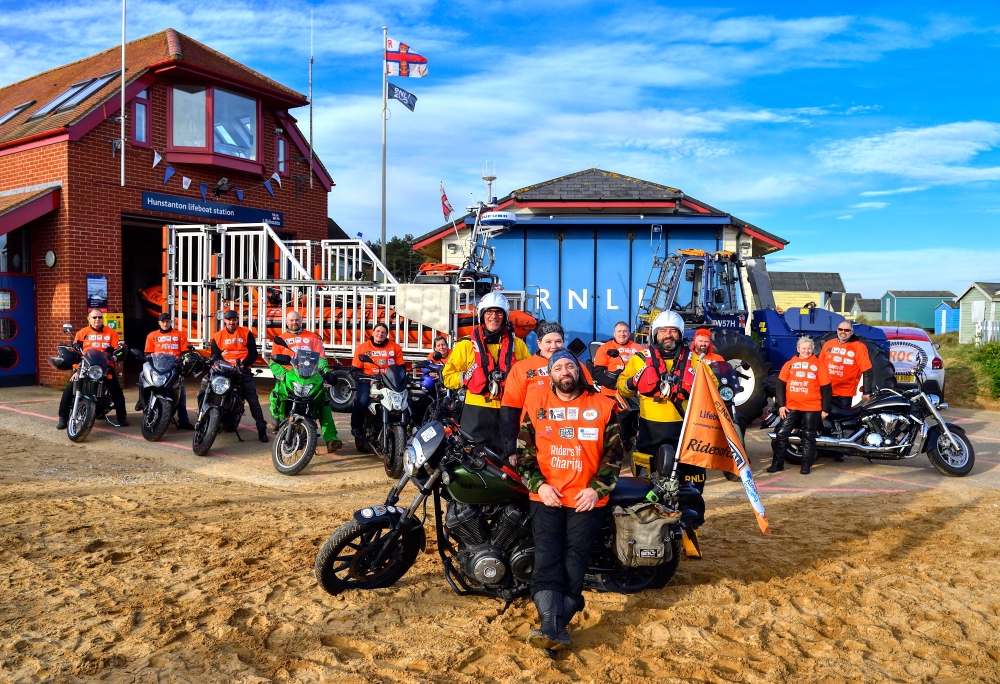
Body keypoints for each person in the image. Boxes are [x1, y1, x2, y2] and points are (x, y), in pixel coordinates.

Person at [517, 349, 622, 651]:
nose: (564, 371)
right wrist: (539, 485)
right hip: (546, 496)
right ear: (550, 374)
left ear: (578, 371)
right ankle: (553, 626)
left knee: (575, 562)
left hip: (586, 499)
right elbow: (523, 454)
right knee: (547, 557)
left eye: (569, 366)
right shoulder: (535, 404)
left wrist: (596, 489)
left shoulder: (603, 405)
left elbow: (614, 455)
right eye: (558, 367)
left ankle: (553, 627)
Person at [617, 311, 707, 557]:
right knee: (646, 487)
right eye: (664, 331)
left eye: (673, 331)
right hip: (649, 433)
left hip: (686, 432)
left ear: (680, 334)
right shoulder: (639, 358)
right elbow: (622, 388)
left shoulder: (697, 361)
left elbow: (713, 388)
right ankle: (647, 532)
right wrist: (635, 380)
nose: (669, 335)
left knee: (690, 488)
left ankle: (690, 536)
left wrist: (691, 386)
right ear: (655, 334)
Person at [442, 292, 530, 454]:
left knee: (507, 460)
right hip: (475, 412)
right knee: (473, 461)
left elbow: (531, 377)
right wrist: (467, 377)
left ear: (504, 316)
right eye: (489, 312)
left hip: (508, 411)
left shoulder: (518, 345)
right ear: (482, 315)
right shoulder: (465, 345)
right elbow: (447, 378)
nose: (493, 316)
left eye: (498, 312)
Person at [499, 321, 594, 462]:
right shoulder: (522, 368)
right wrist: (512, 449)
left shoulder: (576, 366)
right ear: (539, 343)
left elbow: (591, 401)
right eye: (548, 342)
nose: (553, 346)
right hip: (533, 439)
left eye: (558, 341)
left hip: (570, 439)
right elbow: (509, 409)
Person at [269, 310, 342, 452]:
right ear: (286, 322)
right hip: (290, 375)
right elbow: (274, 362)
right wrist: (283, 374)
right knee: (276, 393)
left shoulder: (313, 337)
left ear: (301, 320)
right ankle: (277, 417)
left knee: (323, 402)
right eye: (291, 320)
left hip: (311, 375)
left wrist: (325, 372)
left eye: (296, 320)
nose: (294, 323)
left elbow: (321, 358)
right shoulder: (280, 338)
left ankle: (331, 439)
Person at [770, 336, 832, 475]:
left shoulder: (819, 365)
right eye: (803, 348)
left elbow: (826, 388)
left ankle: (806, 465)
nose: (806, 351)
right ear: (798, 349)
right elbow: (780, 385)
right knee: (781, 433)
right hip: (791, 406)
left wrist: (825, 409)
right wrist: (781, 405)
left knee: (808, 436)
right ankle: (777, 463)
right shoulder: (789, 364)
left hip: (812, 407)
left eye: (809, 348)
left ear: (813, 349)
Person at [57, 309, 128, 429]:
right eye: (94, 317)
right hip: (85, 366)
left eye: (100, 317)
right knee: (70, 388)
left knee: (116, 390)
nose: (97, 320)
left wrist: (116, 355)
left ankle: (122, 417)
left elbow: (116, 349)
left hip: (105, 367)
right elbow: (76, 351)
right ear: (89, 319)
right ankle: (63, 418)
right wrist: (76, 369)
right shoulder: (82, 333)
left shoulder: (111, 333)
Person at [209, 310, 269, 442]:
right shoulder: (217, 336)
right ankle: (209, 422)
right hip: (224, 371)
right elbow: (215, 356)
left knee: (253, 401)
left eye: (234, 319)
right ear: (224, 320)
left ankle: (262, 430)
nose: (232, 322)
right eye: (229, 320)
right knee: (209, 390)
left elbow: (253, 353)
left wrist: (243, 364)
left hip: (243, 370)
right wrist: (221, 366)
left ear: (237, 320)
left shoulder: (246, 333)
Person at [819, 321, 873, 463]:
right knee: (824, 421)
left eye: (847, 330)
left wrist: (866, 391)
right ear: (837, 330)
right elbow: (818, 367)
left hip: (845, 392)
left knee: (842, 423)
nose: (843, 332)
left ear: (852, 332)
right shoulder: (828, 344)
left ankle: (839, 451)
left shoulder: (859, 347)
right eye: (840, 329)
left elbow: (867, 369)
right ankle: (825, 448)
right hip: (825, 391)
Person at [351, 322, 404, 448]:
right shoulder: (362, 348)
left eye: (383, 332)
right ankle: (357, 431)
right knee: (362, 401)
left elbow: (401, 368)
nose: (380, 334)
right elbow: (354, 371)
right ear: (373, 332)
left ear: (386, 335)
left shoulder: (395, 348)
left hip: (389, 381)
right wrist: (367, 380)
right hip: (368, 380)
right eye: (378, 331)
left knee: (403, 402)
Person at [139, 313, 194, 429]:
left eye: (167, 321)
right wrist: (148, 359)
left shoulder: (179, 335)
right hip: (157, 366)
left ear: (171, 322)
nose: (165, 324)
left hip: (174, 367)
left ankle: (183, 420)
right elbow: (148, 353)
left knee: (181, 395)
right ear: (159, 322)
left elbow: (185, 352)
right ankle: (141, 400)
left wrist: (182, 359)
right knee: (141, 375)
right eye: (163, 322)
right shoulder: (151, 335)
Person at [591, 321, 643, 398]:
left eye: (625, 331)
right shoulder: (604, 348)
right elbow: (598, 373)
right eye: (619, 331)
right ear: (614, 334)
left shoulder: (638, 348)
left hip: (633, 393)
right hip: (610, 393)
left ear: (629, 334)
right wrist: (617, 385)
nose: (622, 334)